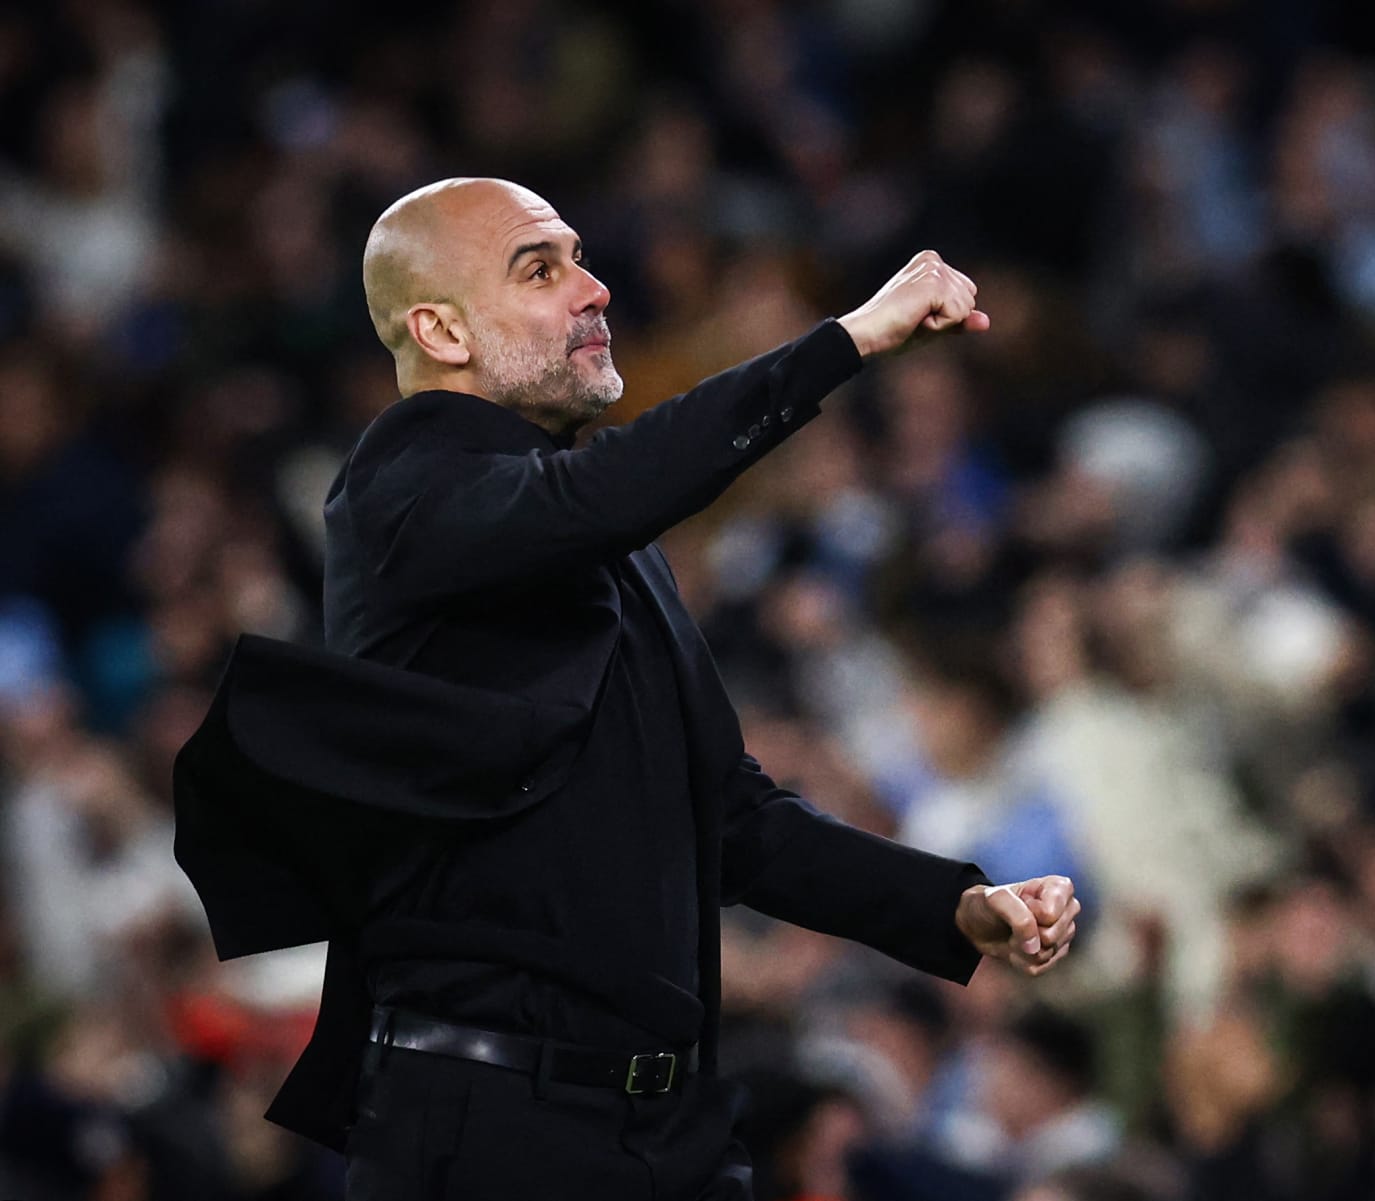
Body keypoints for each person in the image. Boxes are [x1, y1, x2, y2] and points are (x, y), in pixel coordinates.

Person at [170, 176, 1082, 1201]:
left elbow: (734, 819)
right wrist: (848, 341)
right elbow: (604, 492)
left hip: (665, 1131)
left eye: (582, 259)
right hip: (488, 1134)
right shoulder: (398, 493)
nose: (596, 288)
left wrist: (952, 904)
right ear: (441, 328)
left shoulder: (610, 546)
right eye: (541, 267)